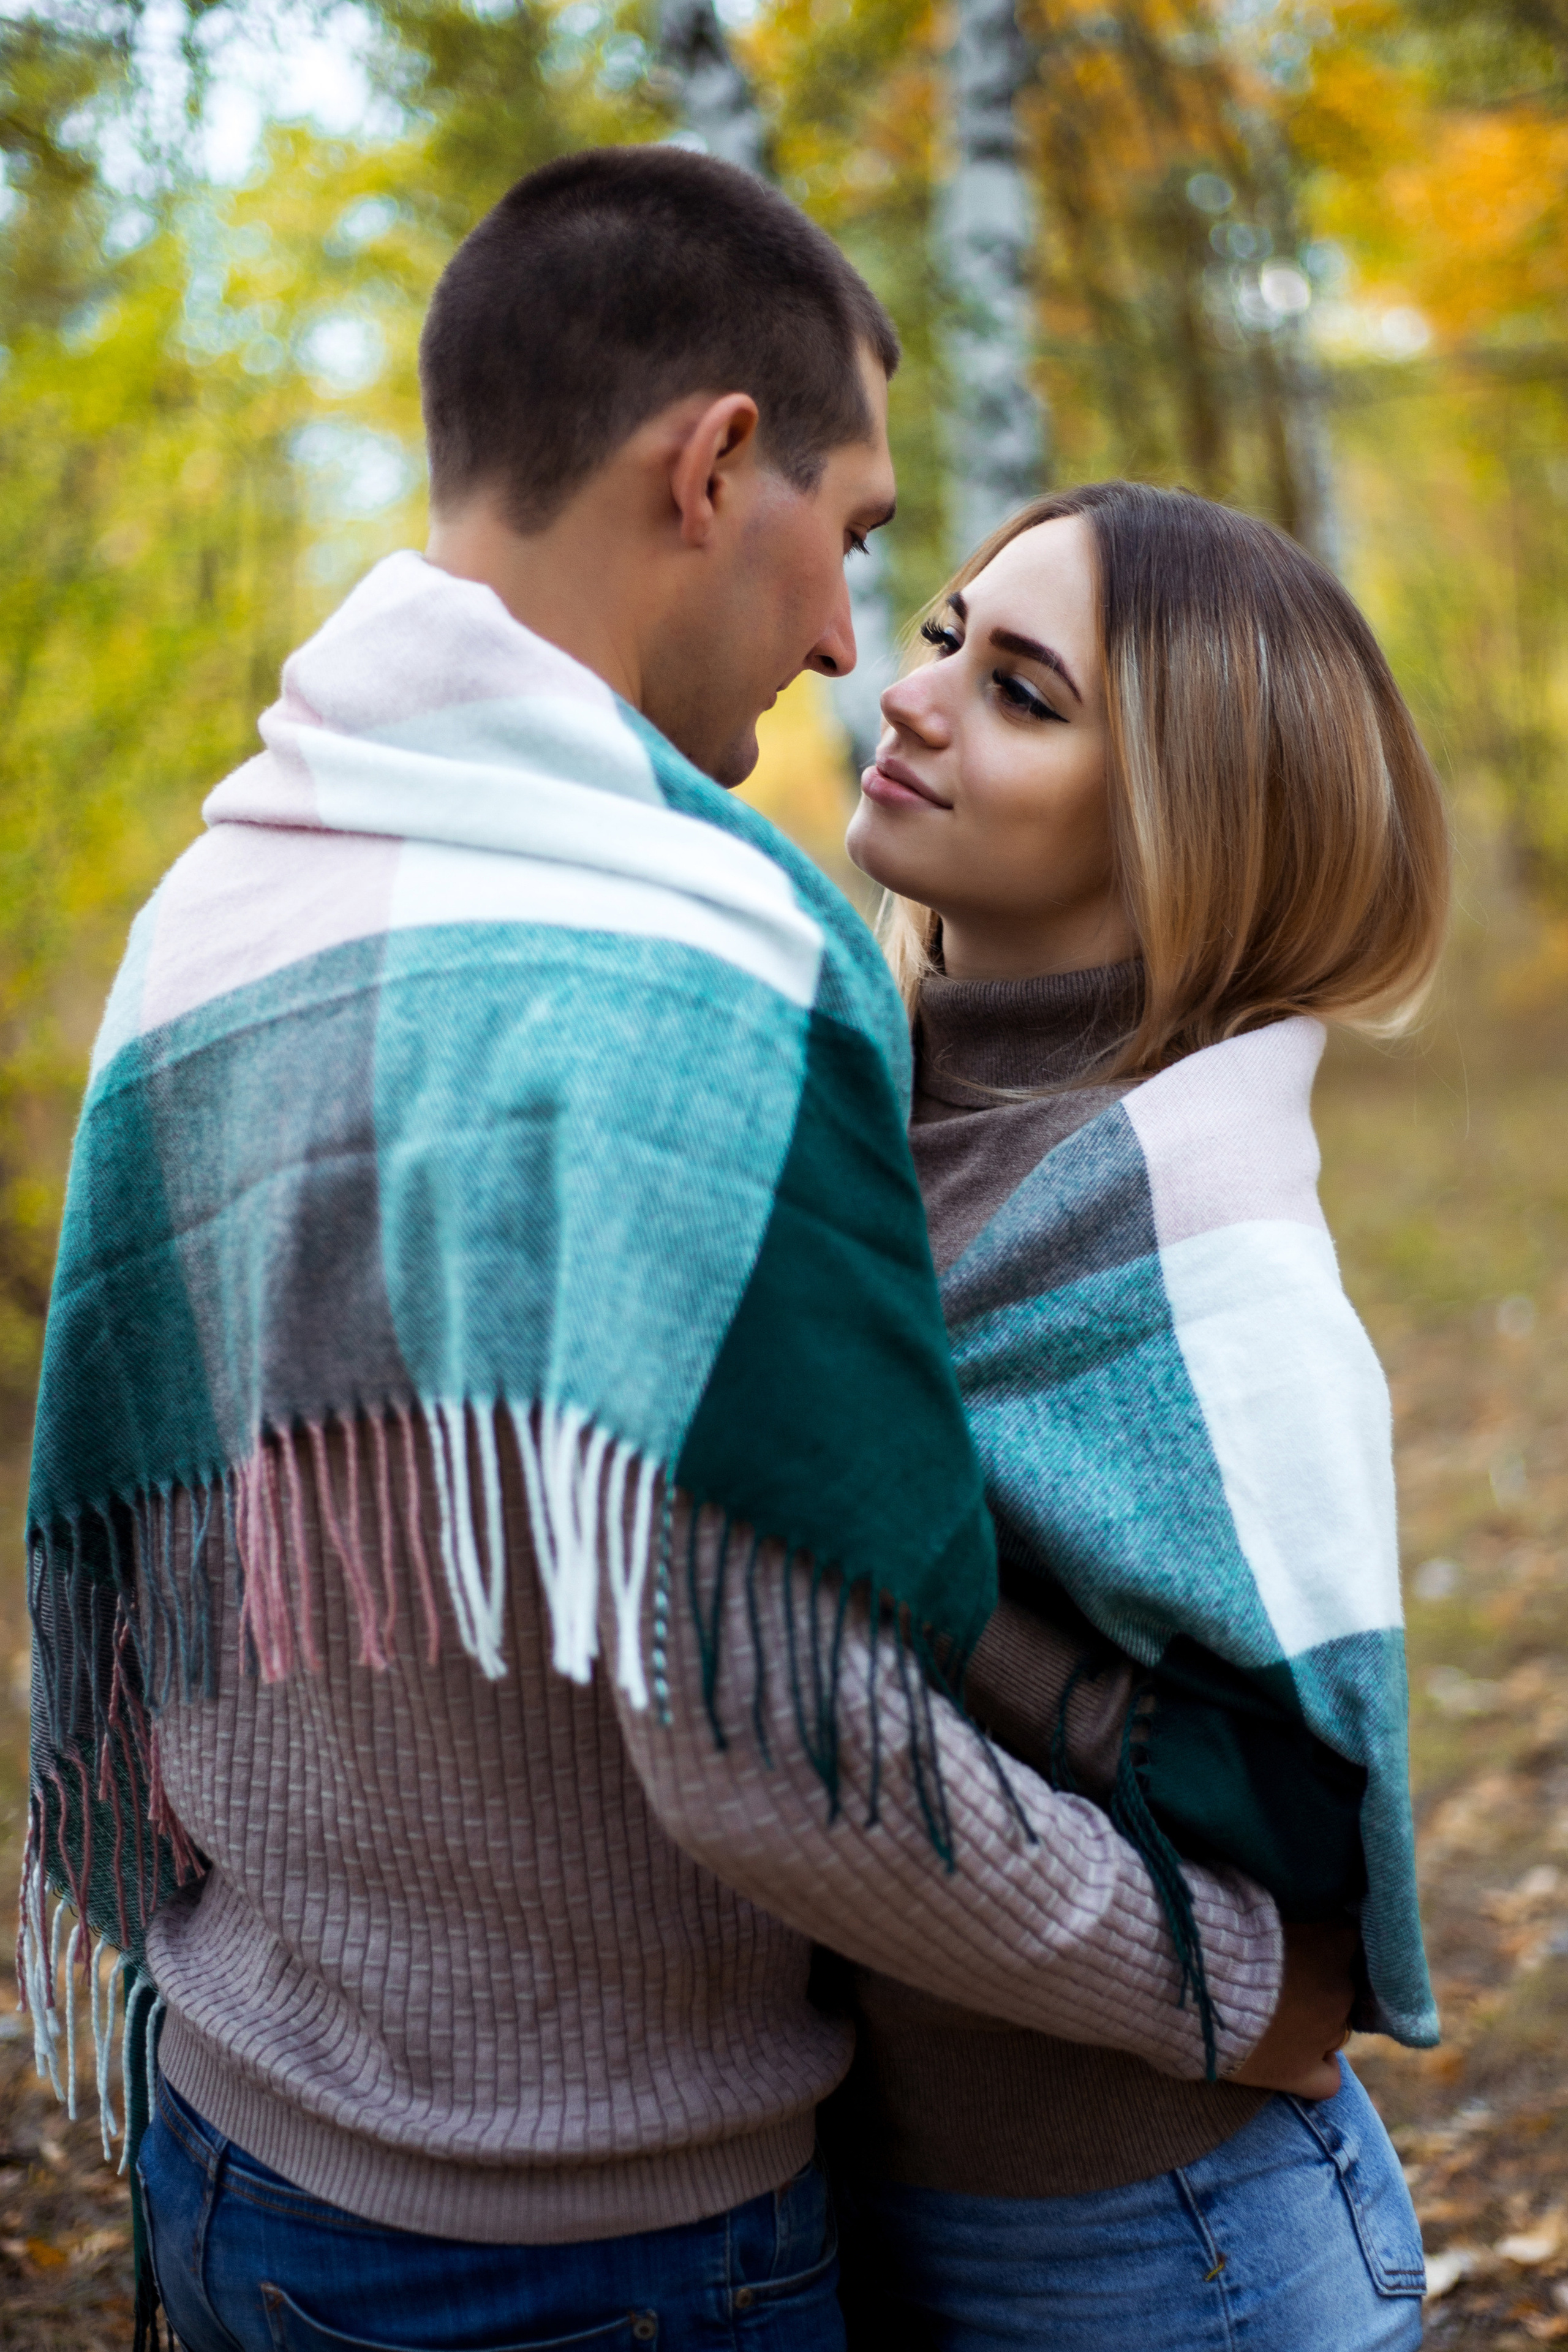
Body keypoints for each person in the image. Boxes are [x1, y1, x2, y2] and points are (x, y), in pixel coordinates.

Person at [23, 160, 1347, 2352]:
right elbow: (780, 1742)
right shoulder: (703, 955)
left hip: (233, 2146)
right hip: (595, 2233)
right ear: (715, 462)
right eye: (852, 544)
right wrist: (1210, 1976)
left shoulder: (217, 903)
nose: (848, 639)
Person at [832, 479, 1450, 2350]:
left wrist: (880, 1536)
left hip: (1167, 2251)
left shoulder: (1208, 1252)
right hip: (862, 2214)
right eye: (942, 634)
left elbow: (1300, 1825)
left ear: (1188, 824)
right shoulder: (854, 1104)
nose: (915, 696)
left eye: (1025, 693)